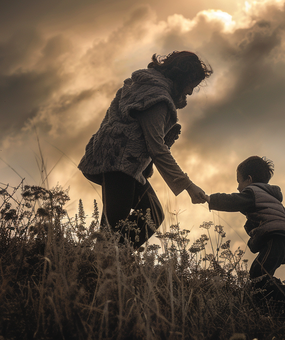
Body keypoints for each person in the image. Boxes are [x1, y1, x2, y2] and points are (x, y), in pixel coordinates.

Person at [78, 51, 212, 248]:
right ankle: (103, 263)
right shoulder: (157, 98)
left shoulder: (143, 85)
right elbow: (156, 148)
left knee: (152, 213)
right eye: (191, 85)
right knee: (114, 227)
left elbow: (130, 129)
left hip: (119, 161)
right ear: (182, 78)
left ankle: (114, 260)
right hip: (119, 164)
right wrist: (189, 186)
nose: (191, 92)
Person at [205, 156, 285, 301]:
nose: (237, 187)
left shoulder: (253, 192)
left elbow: (234, 202)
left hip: (276, 237)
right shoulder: (269, 196)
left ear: (249, 179)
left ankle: (277, 301)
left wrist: (210, 199)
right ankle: (269, 303)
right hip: (280, 237)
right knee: (260, 273)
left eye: (239, 181)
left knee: (259, 274)